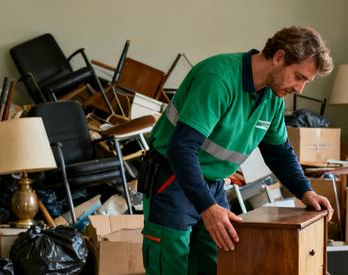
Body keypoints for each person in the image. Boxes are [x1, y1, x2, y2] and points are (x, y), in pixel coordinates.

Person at [139, 26, 335, 275]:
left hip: (213, 185)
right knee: (171, 266)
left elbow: (280, 153)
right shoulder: (218, 78)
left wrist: (306, 191)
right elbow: (182, 148)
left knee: (220, 264)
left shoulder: (273, 98)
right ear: (279, 57)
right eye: (299, 77)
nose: (300, 89)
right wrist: (208, 208)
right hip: (172, 180)